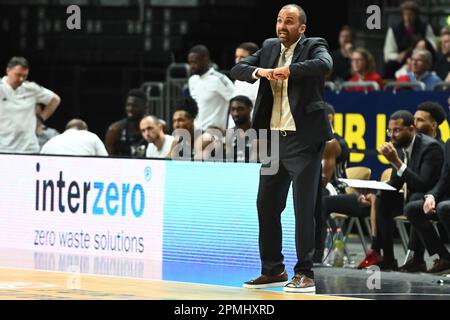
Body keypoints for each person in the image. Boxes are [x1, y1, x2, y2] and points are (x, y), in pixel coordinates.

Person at [231, 4, 333, 293]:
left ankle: (305, 273)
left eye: (289, 22)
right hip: (274, 141)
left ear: (301, 28)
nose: (281, 26)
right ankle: (273, 269)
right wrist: (261, 71)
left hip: (303, 140)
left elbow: (325, 65)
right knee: (266, 204)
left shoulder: (314, 45)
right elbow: (237, 68)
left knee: (303, 209)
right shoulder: (268, 47)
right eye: (278, 20)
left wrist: (288, 71)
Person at [357, 110, 443, 271]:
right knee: (382, 198)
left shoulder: (431, 148)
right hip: (413, 196)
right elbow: (396, 182)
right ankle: (388, 258)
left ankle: (420, 259)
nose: (392, 135)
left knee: (415, 197)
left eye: (396, 130)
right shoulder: (402, 147)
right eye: (390, 131)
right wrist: (372, 191)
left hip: (432, 197)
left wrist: (396, 162)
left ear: (411, 129)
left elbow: (423, 184)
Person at [0, 56, 61, 154]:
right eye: (18, 74)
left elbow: (55, 99)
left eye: (24, 76)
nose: (21, 79)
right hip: (3, 148)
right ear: (8, 70)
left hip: (28, 148)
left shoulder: (31, 88)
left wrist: (41, 118)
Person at [383, 0, 436, 79]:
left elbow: (433, 47)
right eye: (405, 14)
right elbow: (388, 53)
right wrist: (398, 56)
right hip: (402, 62)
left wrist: (423, 45)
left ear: (415, 15)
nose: (408, 17)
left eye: (411, 14)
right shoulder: (394, 29)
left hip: (421, 59)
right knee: (390, 66)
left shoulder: (425, 27)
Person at [187, 45, 234, 131]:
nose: (191, 66)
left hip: (215, 132)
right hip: (197, 130)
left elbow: (235, 101)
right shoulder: (192, 80)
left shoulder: (219, 79)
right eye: (190, 63)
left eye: (194, 62)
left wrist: (230, 128)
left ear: (205, 59)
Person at [104, 88, 147, 157]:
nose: (130, 108)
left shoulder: (155, 128)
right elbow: (109, 160)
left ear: (145, 108)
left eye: (134, 106)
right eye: (128, 105)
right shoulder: (114, 130)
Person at [227, 42, 260, 129]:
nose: (238, 60)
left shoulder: (262, 81)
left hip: (255, 130)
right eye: (236, 57)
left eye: (242, 57)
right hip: (235, 128)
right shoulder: (238, 80)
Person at [40, 119, 108, 156]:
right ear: (85, 130)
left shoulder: (50, 142)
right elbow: (106, 161)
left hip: (54, 179)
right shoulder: (91, 136)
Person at [225, 95, 257, 162]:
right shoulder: (228, 134)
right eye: (233, 109)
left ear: (250, 109)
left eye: (240, 109)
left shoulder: (258, 133)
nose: (236, 113)